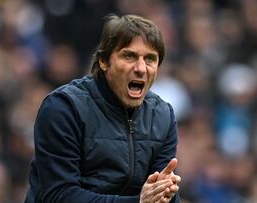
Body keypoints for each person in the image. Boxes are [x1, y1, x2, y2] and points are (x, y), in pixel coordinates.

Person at [24, 14, 181, 203]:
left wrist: (166, 193)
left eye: (150, 59)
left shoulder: (162, 116)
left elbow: (158, 196)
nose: (141, 68)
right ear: (104, 61)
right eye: (129, 56)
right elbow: (59, 195)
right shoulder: (64, 108)